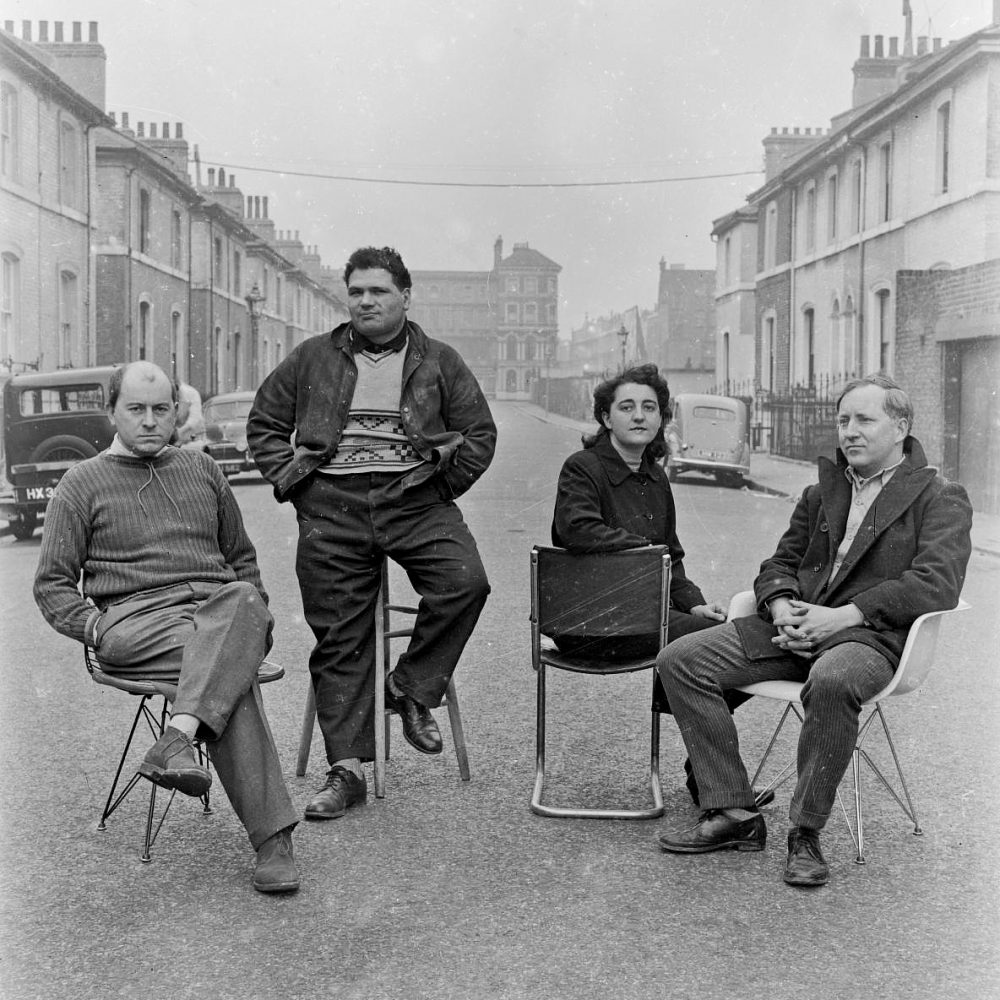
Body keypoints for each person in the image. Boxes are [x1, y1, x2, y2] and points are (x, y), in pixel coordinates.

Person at [655, 374, 972, 888]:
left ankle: (805, 832)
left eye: (865, 420)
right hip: (796, 628)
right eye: (844, 420)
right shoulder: (821, 491)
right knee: (681, 660)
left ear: (901, 427)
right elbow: (779, 561)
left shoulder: (939, 496)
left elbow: (936, 584)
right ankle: (734, 811)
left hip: (867, 639)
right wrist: (781, 607)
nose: (850, 431)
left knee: (832, 680)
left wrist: (844, 617)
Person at [246, 246, 495, 822]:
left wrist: (439, 486)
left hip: (415, 499)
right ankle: (348, 770)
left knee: (466, 582)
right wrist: (298, 485)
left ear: (406, 297)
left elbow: (478, 433)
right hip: (331, 505)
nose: (365, 302)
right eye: (356, 292)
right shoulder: (312, 357)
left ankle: (410, 687)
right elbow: (264, 424)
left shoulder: (440, 361)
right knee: (340, 633)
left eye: (378, 291)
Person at [33, 361, 300, 894]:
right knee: (229, 667)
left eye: (162, 409)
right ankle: (273, 842)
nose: (151, 421)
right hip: (137, 624)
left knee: (241, 605)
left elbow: (242, 559)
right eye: (136, 410)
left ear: (177, 410)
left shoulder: (202, 470)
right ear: (112, 412)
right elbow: (52, 586)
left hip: (217, 613)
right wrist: (96, 627)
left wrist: (255, 613)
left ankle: (176, 740)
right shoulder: (80, 484)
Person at [550, 363, 758, 805]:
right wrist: (648, 549)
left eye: (650, 407)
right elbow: (578, 530)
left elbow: (672, 557)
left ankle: (707, 772)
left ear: (662, 418)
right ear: (606, 417)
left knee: (740, 639)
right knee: (736, 646)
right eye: (626, 407)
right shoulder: (583, 468)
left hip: (645, 620)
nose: (639, 416)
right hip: (589, 625)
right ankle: (712, 778)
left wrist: (695, 604)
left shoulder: (656, 477)